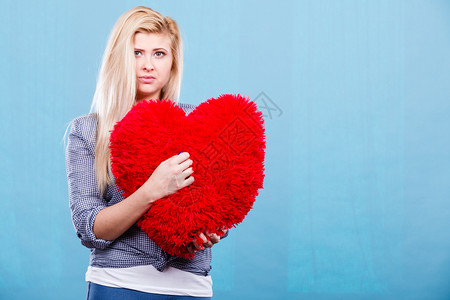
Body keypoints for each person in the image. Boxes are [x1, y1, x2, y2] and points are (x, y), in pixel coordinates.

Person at [65, 6, 227, 299]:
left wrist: (212, 231)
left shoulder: (198, 123)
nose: (148, 65)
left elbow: (218, 202)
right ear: (119, 58)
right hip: (116, 285)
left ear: (173, 61)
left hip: (190, 286)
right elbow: (90, 228)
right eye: (137, 53)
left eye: (159, 53)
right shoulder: (88, 132)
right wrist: (152, 189)